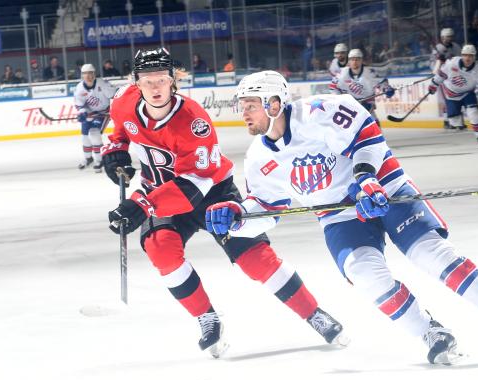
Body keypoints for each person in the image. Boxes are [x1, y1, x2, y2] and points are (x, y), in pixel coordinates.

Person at [205, 70, 478, 365]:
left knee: (427, 252)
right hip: (339, 214)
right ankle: (429, 331)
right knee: (363, 274)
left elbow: (368, 137)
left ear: (274, 103)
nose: (242, 113)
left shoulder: (319, 112)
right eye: (242, 105)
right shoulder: (257, 159)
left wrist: (366, 179)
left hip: (382, 186)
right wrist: (240, 215)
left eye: (250, 105)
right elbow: (268, 208)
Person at [101, 48, 347, 358]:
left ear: (174, 80)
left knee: (255, 259)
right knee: (161, 249)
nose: (155, 87)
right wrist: (115, 150)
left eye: (162, 79)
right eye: (148, 81)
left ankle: (313, 313)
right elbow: (120, 130)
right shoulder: (124, 101)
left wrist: (144, 205)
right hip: (159, 193)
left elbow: (194, 183)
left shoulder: (194, 121)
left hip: (210, 194)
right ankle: (206, 317)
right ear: (135, 83)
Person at [428, 44, 478, 148]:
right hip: (451, 93)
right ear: (462, 55)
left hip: (468, 93)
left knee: (474, 113)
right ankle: (451, 115)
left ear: (474, 57)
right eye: (465, 55)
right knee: (455, 122)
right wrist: (433, 85)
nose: (468, 58)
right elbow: (441, 75)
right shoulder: (452, 64)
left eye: (470, 56)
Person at [329, 48, 395, 126]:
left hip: (367, 103)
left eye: (357, 59)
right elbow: (333, 87)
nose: (354, 62)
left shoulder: (370, 73)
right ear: (349, 61)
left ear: (361, 61)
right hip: (350, 105)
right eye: (352, 59)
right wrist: (341, 100)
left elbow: (382, 83)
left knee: (375, 127)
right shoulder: (342, 73)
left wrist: (387, 89)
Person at [74, 63, 116, 172]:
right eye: (84, 73)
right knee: (84, 136)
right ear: (82, 75)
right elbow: (79, 104)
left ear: (94, 73)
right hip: (89, 113)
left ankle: (99, 159)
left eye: (90, 73)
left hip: (102, 113)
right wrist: (82, 112)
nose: (87, 76)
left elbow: (114, 95)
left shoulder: (102, 84)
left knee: (94, 133)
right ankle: (88, 158)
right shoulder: (80, 88)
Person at [431, 28, 462, 129]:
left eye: (451, 36)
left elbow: (460, 61)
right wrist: (439, 61)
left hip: (454, 76)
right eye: (447, 36)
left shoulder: (456, 47)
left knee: (456, 98)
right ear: (442, 37)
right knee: (448, 99)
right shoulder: (437, 49)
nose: (449, 38)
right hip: (443, 76)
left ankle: (454, 121)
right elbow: (433, 66)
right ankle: (447, 121)